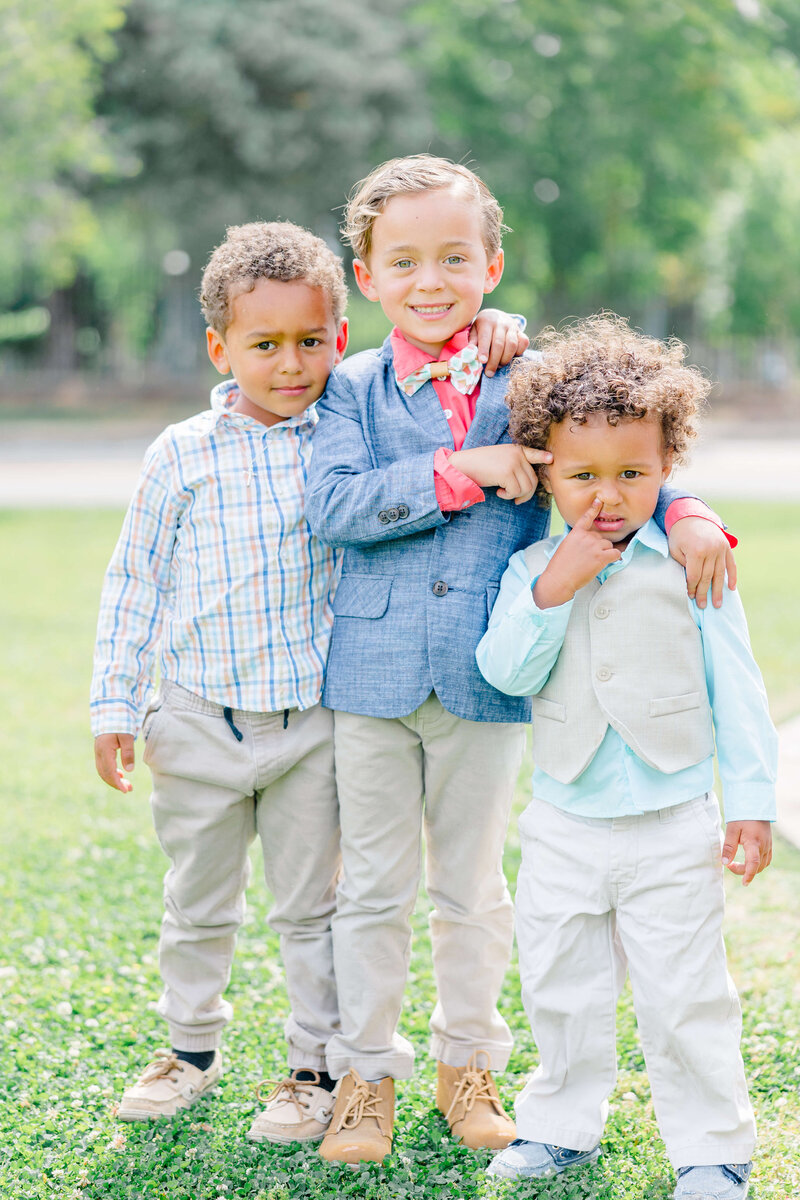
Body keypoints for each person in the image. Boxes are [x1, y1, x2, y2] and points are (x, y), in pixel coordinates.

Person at [304, 155, 737, 1165]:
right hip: (367, 681)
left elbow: (617, 457)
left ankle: (468, 1063)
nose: (430, 280)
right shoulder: (349, 390)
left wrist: (690, 510)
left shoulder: (521, 379)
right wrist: (456, 471)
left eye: (454, 257)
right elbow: (331, 509)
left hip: (488, 680)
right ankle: (367, 1070)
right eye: (403, 261)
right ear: (364, 276)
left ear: (490, 264)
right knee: (371, 889)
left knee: (470, 891)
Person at [90, 219, 527, 1143]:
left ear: (340, 335)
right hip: (199, 717)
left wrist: (501, 327)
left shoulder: (343, 420)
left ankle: (312, 1070)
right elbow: (135, 578)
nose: (292, 364)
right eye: (265, 345)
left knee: (313, 909)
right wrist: (114, 703)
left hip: (313, 724)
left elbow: (436, 349)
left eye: (312, 342)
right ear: (220, 347)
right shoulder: (184, 452)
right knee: (198, 902)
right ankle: (190, 1051)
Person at [476, 314, 776, 1200]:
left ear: (666, 469)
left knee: (686, 994)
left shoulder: (694, 560)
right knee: (559, 985)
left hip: (673, 819)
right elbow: (503, 670)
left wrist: (751, 803)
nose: (607, 495)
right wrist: (551, 591)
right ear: (547, 472)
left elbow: (740, 689)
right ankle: (560, 1126)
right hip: (565, 816)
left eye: (633, 474)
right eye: (583, 476)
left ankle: (713, 1149)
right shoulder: (530, 567)